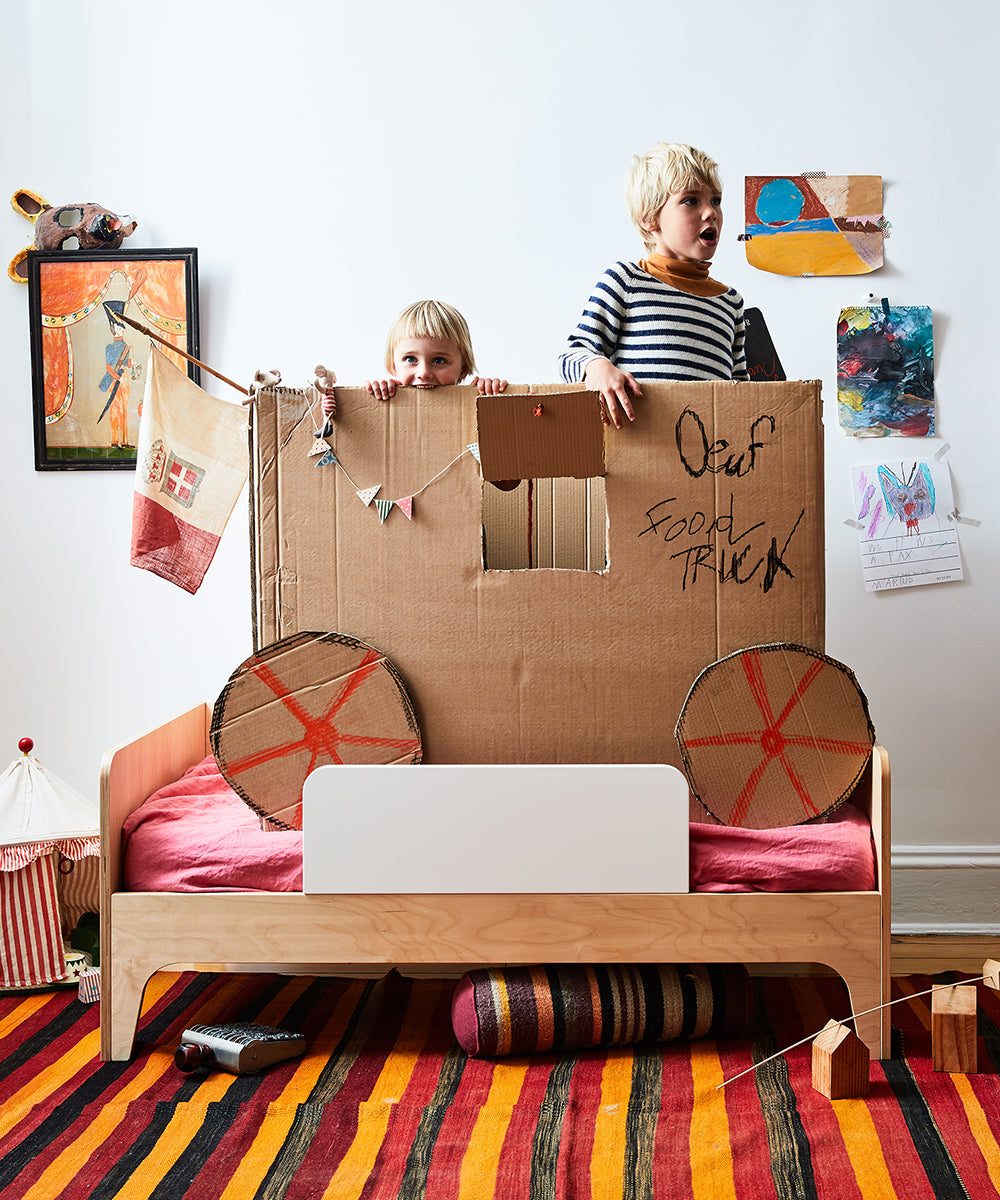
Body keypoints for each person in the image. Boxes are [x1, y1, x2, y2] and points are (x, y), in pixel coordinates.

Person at [558, 142, 748, 429]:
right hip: (641, 457)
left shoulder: (730, 303)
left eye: (716, 201)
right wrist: (596, 367)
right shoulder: (626, 280)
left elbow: (744, 396)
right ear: (649, 218)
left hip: (711, 464)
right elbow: (571, 355)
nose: (711, 213)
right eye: (691, 200)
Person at [322, 300, 506, 415]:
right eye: (410, 359)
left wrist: (492, 394)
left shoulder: (475, 404)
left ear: (463, 368)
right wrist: (374, 394)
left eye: (439, 360)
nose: (424, 373)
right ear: (394, 366)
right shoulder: (386, 399)